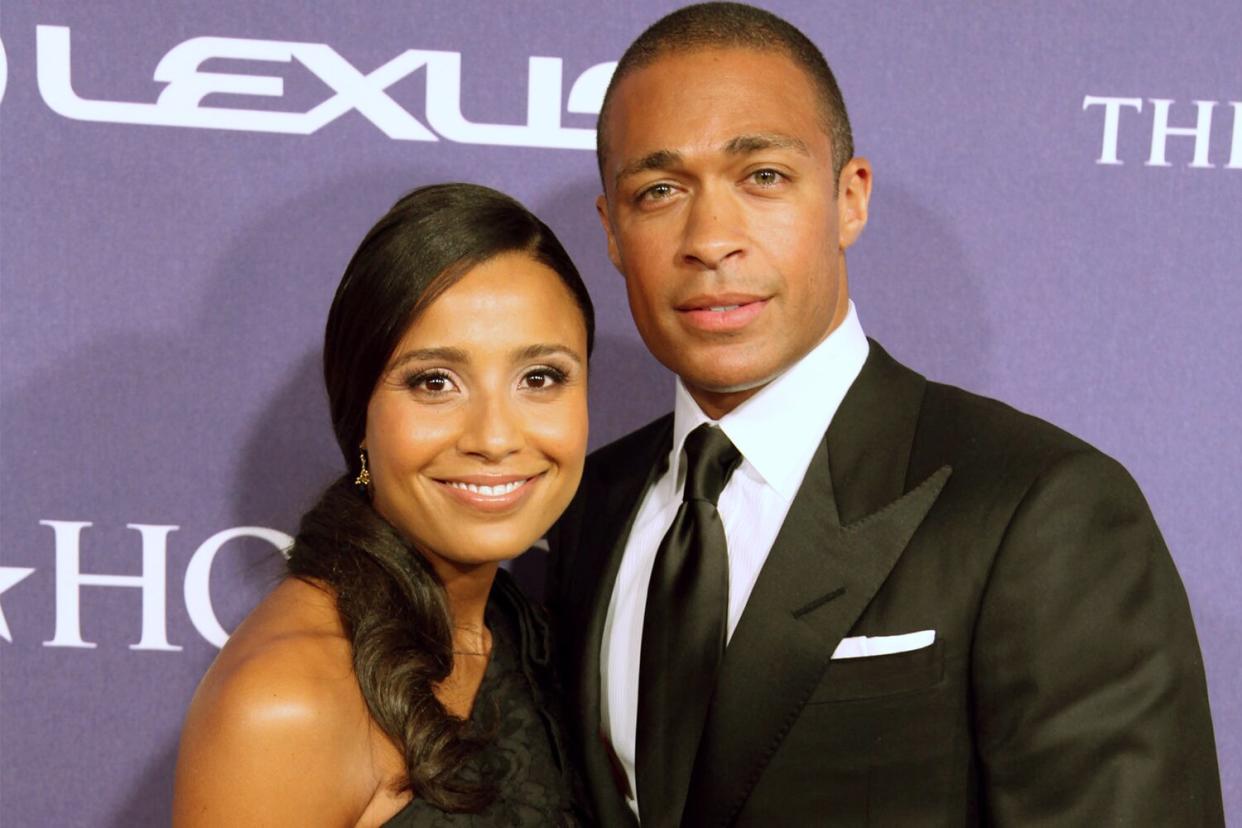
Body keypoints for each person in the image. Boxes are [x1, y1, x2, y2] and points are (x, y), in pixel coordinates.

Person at [545, 3, 1224, 826]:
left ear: (850, 200)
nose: (711, 239)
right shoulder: (581, 508)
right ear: (612, 231)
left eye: (763, 176)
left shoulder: (1041, 508)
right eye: (658, 190)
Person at [173, 183, 593, 826]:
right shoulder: (287, 703)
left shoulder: (519, 629)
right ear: (359, 418)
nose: (496, 437)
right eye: (434, 382)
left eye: (540, 378)